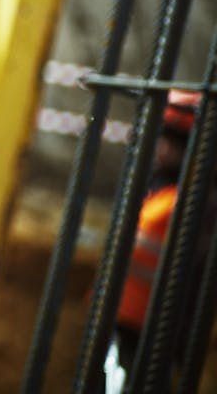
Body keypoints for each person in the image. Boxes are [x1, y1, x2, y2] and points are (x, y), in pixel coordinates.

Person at [107, 88, 211, 387]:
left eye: (169, 141)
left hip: (153, 328)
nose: (158, 149)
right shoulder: (159, 192)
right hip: (126, 317)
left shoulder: (187, 203)